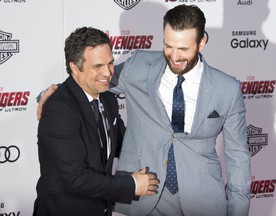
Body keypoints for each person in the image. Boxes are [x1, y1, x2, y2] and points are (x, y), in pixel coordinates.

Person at [37, 5, 251, 216]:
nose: (174, 57)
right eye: (168, 46)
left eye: (183, 49)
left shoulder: (228, 89)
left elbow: (238, 156)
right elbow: (90, 81)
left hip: (203, 199)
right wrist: (49, 93)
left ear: (201, 42)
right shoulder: (138, 66)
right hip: (146, 196)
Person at [33, 27, 159, 216]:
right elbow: (76, 179)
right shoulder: (59, 110)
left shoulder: (107, 98)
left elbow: (120, 143)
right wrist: (132, 184)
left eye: (110, 63)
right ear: (75, 67)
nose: (108, 73)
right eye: (97, 66)